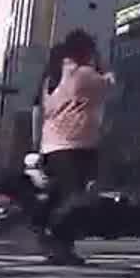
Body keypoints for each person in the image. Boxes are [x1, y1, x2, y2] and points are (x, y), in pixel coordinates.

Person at [36, 29, 113, 265]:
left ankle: (57, 244)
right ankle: (52, 233)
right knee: (77, 197)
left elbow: (39, 109)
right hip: (77, 144)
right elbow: (111, 85)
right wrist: (102, 64)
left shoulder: (53, 76)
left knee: (62, 195)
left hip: (51, 144)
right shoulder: (84, 75)